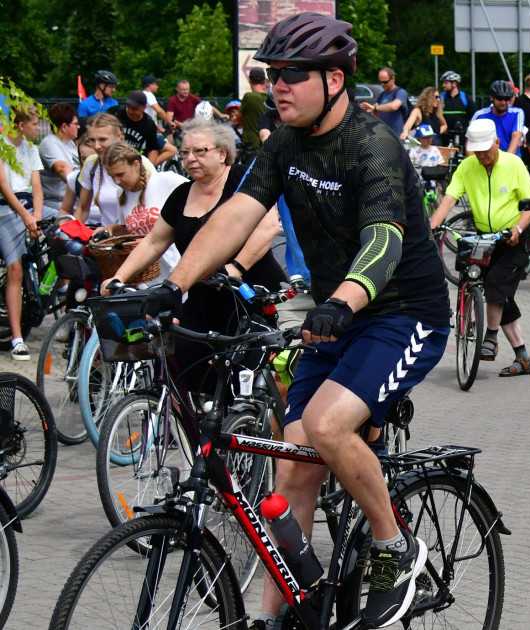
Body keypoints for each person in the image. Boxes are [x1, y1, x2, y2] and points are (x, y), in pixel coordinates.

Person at [114, 14, 451, 630]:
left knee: (324, 425)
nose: (278, 88)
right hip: (333, 320)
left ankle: (393, 546)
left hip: (404, 314)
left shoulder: (372, 144)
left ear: (335, 78)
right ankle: (280, 614)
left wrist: (342, 302)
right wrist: (173, 286)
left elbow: (384, 241)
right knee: (291, 464)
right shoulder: (284, 143)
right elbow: (236, 215)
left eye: (293, 76)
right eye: (272, 76)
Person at [103, 119, 284, 394]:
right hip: (203, 298)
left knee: (249, 383)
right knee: (186, 366)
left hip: (250, 295)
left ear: (222, 153)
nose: (190, 159)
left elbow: (268, 225)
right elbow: (154, 240)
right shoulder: (181, 195)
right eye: (185, 153)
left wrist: (236, 267)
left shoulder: (242, 180)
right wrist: (119, 276)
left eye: (199, 151)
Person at [431, 118, 530, 373]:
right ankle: (522, 358)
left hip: (514, 238)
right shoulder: (467, 167)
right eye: (476, 151)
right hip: (483, 238)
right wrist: (432, 227)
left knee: (495, 285)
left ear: (497, 143)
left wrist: (517, 228)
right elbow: (449, 198)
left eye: (486, 151)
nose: (481, 156)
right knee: (499, 296)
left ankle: (490, 336)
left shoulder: (514, 164)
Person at [96, 142, 187, 278]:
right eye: (112, 176)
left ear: (136, 165)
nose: (117, 181)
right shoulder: (121, 193)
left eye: (120, 174)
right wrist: (111, 229)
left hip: (177, 268)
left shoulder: (167, 181)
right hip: (147, 276)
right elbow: (132, 229)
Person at [0, 106, 43, 360]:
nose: (38, 127)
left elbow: (36, 187)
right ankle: (17, 338)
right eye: (35, 124)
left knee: (64, 227)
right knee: (15, 268)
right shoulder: (3, 147)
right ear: (20, 125)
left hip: (28, 206)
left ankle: (57, 291)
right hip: (7, 209)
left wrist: (36, 215)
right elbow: (4, 187)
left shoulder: (31, 149)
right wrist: (27, 216)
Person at [73, 113, 157, 227]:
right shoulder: (91, 164)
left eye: (102, 139)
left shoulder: (141, 163)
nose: (96, 146)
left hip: (138, 238)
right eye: (92, 140)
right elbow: (83, 208)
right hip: (107, 238)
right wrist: (70, 234)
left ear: (119, 136)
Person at [108, 90, 177, 166]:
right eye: (128, 106)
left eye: (135, 109)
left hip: (131, 159)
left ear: (144, 107)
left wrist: (149, 168)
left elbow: (153, 149)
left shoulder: (148, 123)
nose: (130, 111)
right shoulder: (115, 112)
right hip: (112, 155)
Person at [39, 103, 81, 216]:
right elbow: (62, 168)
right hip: (57, 205)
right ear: (64, 127)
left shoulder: (70, 143)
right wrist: (84, 189)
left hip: (74, 203)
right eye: (75, 124)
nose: (79, 127)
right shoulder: (49, 143)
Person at [471, 80, 525, 156]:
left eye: (506, 99)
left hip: (511, 159)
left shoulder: (517, 113)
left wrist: (506, 160)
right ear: (492, 98)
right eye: (500, 98)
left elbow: (516, 137)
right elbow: (470, 141)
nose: (503, 102)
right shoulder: (480, 115)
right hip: (487, 160)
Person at [360, 67, 409, 137]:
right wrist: (373, 111)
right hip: (384, 136)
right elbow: (378, 117)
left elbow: (394, 106)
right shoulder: (381, 95)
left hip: (397, 136)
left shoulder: (400, 92)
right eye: (381, 82)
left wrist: (375, 108)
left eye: (385, 82)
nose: (382, 84)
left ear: (393, 79)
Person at [439, 70, 474, 144]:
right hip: (444, 137)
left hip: (462, 137)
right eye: (443, 83)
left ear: (454, 84)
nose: (443, 85)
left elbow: (474, 115)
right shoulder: (440, 98)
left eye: (446, 83)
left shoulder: (464, 98)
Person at [240, 67, 271, 151]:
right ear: (265, 81)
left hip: (251, 146)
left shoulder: (249, 97)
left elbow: (238, 119)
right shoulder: (271, 98)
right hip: (269, 145)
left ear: (249, 80)